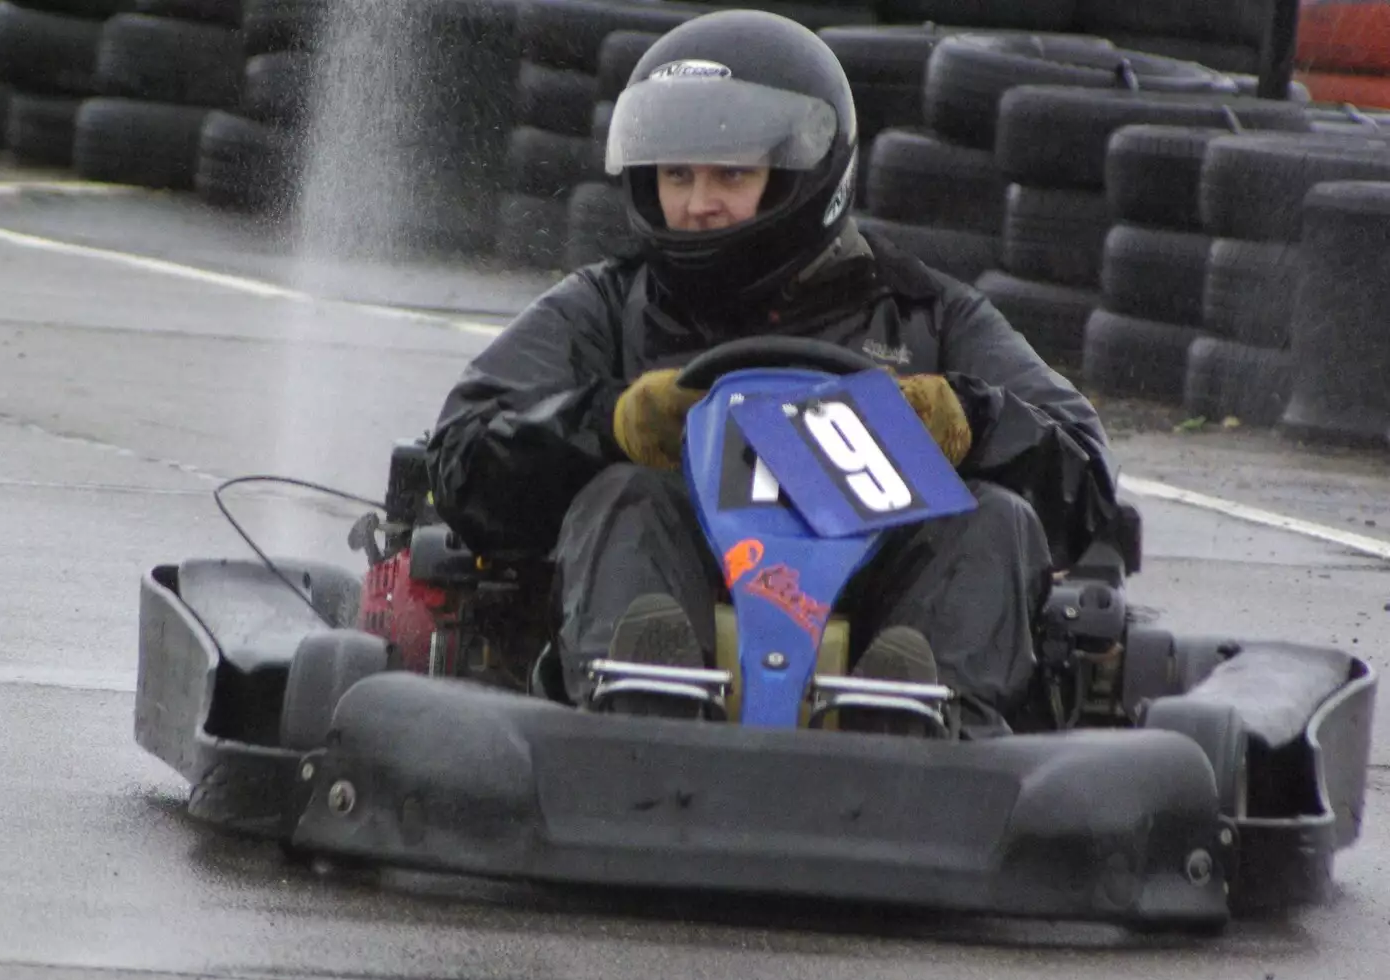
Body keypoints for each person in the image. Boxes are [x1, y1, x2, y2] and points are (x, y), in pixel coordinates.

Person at [424, 10, 1121, 737]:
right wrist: (608, 424)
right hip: (673, 614)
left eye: (731, 173)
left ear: (801, 175)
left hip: (885, 616)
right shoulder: (609, 307)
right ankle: (641, 709)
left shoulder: (925, 316)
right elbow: (460, 459)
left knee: (995, 517)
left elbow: (1087, 480)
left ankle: (909, 718)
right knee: (622, 495)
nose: (697, 204)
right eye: (677, 175)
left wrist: (965, 422)